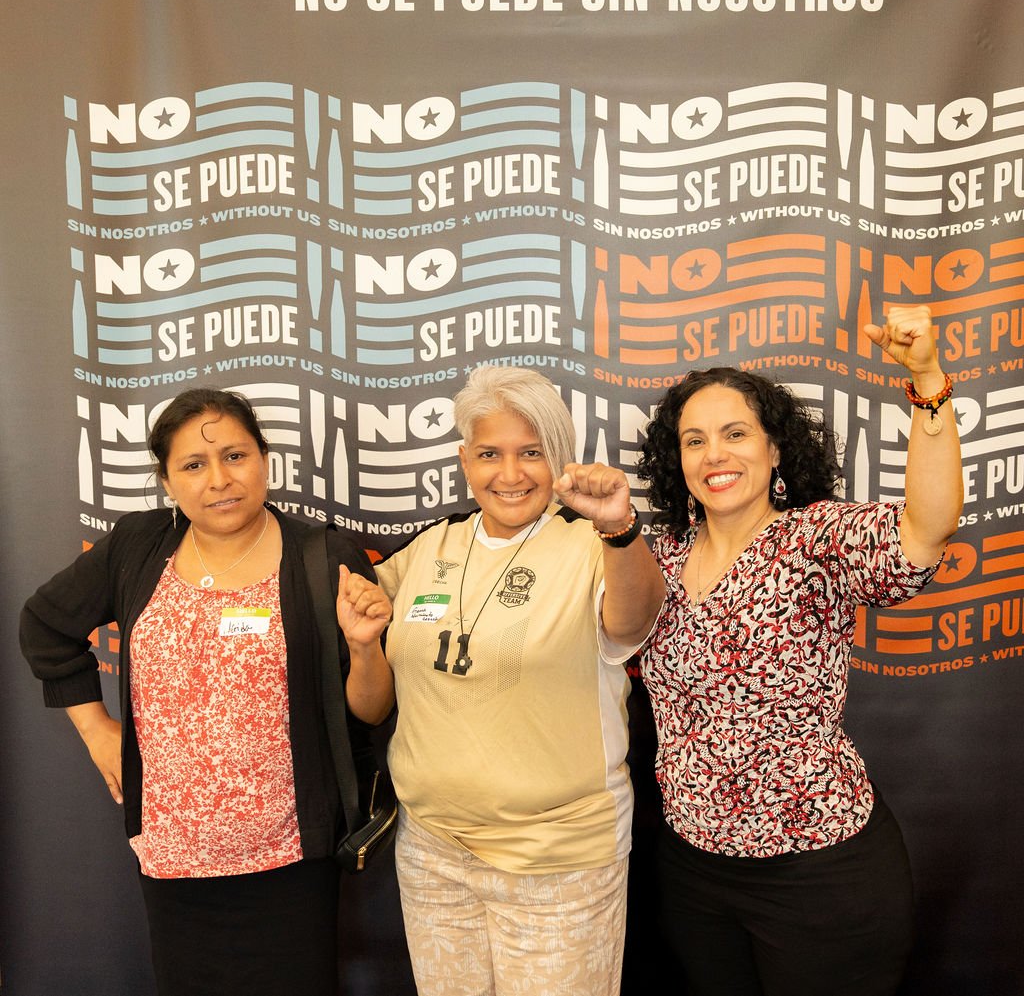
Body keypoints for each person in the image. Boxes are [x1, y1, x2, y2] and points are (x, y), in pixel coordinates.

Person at [620, 305, 963, 996]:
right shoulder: (657, 558)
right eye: (694, 440)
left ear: (775, 449)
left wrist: (928, 383)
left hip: (820, 878)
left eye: (735, 434)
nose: (714, 455)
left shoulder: (815, 540)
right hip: (693, 875)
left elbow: (926, 529)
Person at [20, 388, 392, 996]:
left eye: (235, 456)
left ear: (265, 460)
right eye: (193, 465)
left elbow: (371, 712)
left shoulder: (324, 556)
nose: (219, 479)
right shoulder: (138, 546)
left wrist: (365, 647)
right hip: (173, 859)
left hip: (291, 860)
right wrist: (97, 730)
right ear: (167, 481)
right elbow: (45, 625)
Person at [342, 364, 666, 996]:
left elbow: (635, 620)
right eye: (490, 453)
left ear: (560, 459)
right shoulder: (429, 549)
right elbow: (373, 706)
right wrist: (361, 645)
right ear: (465, 460)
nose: (510, 474)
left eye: (532, 453)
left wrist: (619, 528)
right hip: (433, 851)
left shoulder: (592, 546)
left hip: (557, 862)